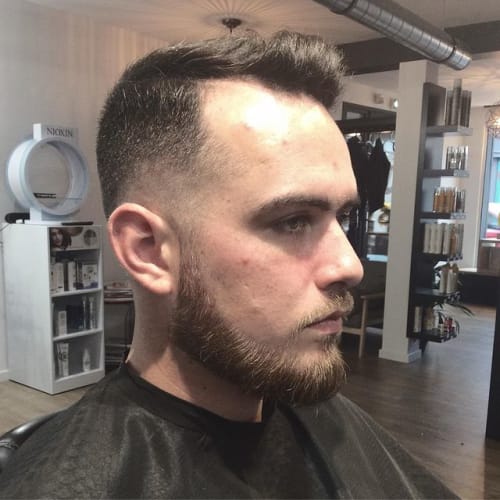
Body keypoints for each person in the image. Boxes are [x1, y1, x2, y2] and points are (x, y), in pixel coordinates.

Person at [0, 31, 457, 499]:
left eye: (341, 217)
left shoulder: (329, 421)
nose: (350, 265)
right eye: (293, 221)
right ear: (148, 250)